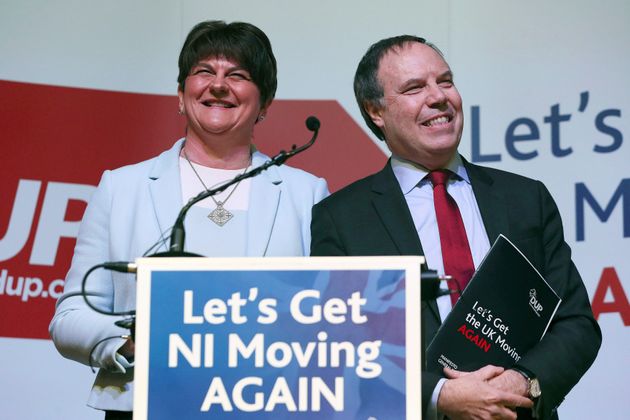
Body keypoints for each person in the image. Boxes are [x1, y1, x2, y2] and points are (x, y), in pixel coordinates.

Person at [310, 35, 601, 419]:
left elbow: (576, 324)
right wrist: (439, 395)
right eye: (415, 88)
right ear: (375, 111)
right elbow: (341, 348)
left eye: (445, 81)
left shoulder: (526, 198)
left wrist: (521, 383)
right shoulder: (342, 218)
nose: (438, 97)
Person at [50, 20, 328, 419]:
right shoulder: (122, 187)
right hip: (145, 400)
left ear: (265, 103)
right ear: (181, 94)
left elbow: (328, 318)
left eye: (238, 75)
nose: (218, 85)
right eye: (203, 72)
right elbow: (70, 317)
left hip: (267, 404)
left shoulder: (307, 194)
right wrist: (131, 344)